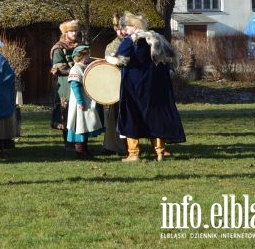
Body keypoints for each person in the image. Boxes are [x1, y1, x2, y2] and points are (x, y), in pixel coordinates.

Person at [115, 12, 185, 162]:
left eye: (126, 27)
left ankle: (133, 154)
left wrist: (111, 59)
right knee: (155, 116)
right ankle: (160, 151)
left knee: (131, 116)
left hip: (134, 86)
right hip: (156, 86)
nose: (125, 30)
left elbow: (119, 59)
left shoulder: (131, 40)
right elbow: (171, 59)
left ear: (134, 27)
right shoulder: (157, 39)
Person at [66, 45, 104, 159]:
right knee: (80, 125)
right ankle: (80, 150)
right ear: (80, 56)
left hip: (86, 101)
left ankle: (85, 149)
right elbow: (75, 86)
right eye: (86, 54)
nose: (88, 56)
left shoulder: (84, 67)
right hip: (80, 103)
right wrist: (80, 102)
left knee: (85, 125)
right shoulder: (76, 68)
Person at [50, 19, 80, 150]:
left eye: (75, 31)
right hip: (65, 83)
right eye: (71, 31)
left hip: (80, 82)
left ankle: (79, 141)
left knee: (79, 111)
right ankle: (68, 141)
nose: (74, 33)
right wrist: (75, 70)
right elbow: (59, 67)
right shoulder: (59, 48)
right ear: (65, 33)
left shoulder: (80, 45)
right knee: (66, 110)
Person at [101, 14, 128, 156]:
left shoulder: (134, 42)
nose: (121, 32)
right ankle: (111, 145)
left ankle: (130, 146)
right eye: (118, 29)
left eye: (123, 28)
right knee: (112, 117)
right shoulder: (110, 46)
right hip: (115, 86)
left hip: (130, 84)